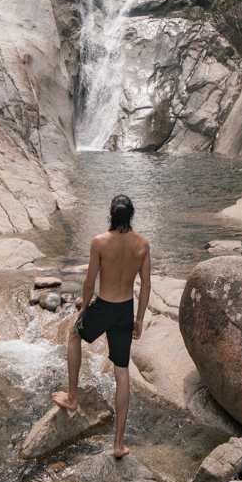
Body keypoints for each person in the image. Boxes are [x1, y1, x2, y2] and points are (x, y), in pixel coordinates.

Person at [53, 193, 150, 459]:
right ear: (131, 215)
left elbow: (89, 282)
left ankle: (72, 397)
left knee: (74, 334)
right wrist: (138, 318)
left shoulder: (99, 241)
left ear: (111, 213)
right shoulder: (142, 244)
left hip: (103, 307)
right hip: (125, 311)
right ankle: (118, 444)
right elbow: (146, 286)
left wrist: (84, 308)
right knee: (122, 372)